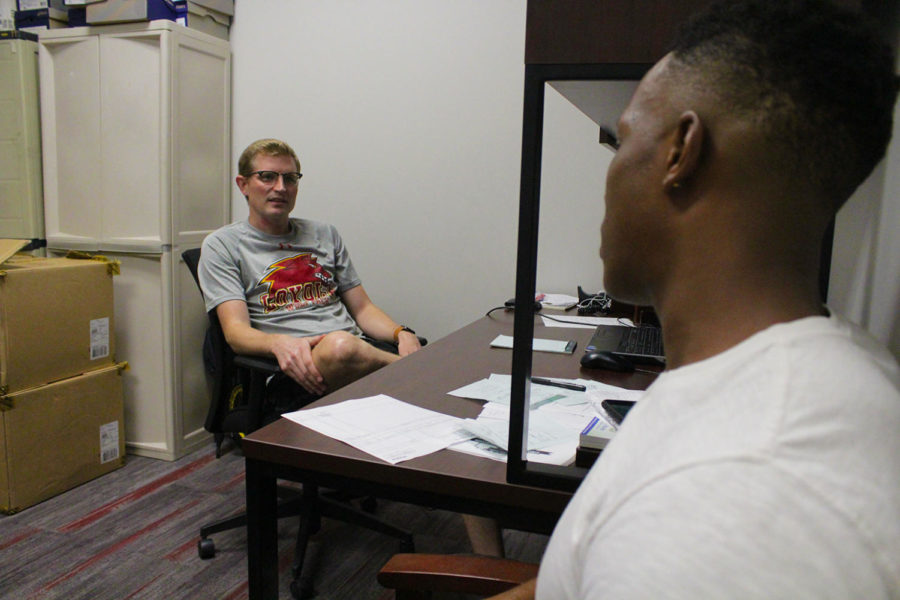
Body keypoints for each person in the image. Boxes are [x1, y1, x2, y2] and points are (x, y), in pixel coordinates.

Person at [494, 1, 900, 598]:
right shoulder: (814, 370)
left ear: (682, 151)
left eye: (622, 137)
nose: (610, 168)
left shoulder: (726, 494)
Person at [198, 138, 421, 402]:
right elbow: (236, 333)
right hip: (295, 370)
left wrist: (401, 332)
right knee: (341, 347)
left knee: (346, 348)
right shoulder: (223, 245)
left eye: (290, 179)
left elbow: (362, 308)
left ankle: (411, 376)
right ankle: (420, 374)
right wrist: (277, 343)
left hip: (358, 353)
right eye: (267, 177)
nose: (280, 188)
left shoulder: (325, 234)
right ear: (243, 184)